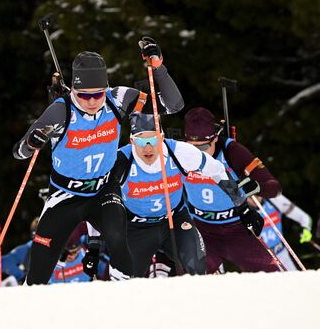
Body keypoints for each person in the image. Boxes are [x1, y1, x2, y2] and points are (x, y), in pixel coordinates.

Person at [12, 38, 184, 284]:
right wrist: (31, 144)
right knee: (40, 267)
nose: (92, 102)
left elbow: (172, 105)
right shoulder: (61, 111)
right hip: (65, 195)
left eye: (97, 94)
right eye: (84, 95)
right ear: (73, 90)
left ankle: (121, 296)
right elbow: (18, 153)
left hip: (104, 189)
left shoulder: (119, 99)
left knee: (117, 239)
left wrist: (158, 68)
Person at [106, 113, 248, 277]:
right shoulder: (121, 160)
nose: (148, 148)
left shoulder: (179, 152)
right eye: (140, 141)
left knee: (200, 268)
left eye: (153, 140)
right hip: (136, 228)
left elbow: (216, 170)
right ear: (131, 141)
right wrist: (95, 244)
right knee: (122, 279)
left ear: (162, 137)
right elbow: (98, 198)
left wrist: (242, 205)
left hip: (175, 221)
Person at [183, 107, 282, 273]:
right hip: (200, 231)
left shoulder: (232, 152)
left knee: (272, 277)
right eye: (192, 148)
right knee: (187, 283)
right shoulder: (179, 153)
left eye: (204, 147)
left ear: (215, 139)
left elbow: (275, 187)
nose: (198, 154)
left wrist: (258, 187)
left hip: (236, 228)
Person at [256, 194, 313, 270]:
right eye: (250, 196)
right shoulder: (240, 210)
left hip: (283, 256)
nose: (256, 198)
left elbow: (303, 217)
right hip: (260, 262)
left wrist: (306, 228)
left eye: (257, 193)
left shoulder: (274, 199)